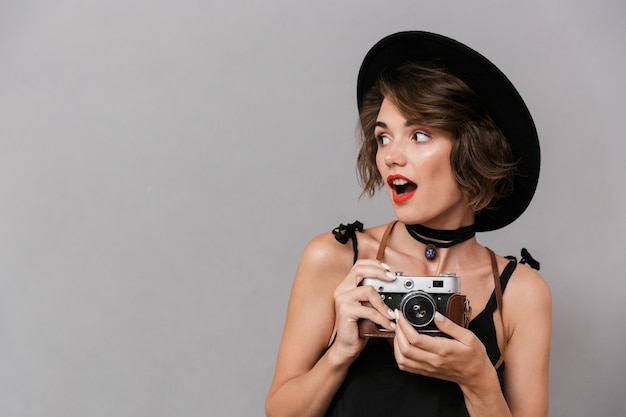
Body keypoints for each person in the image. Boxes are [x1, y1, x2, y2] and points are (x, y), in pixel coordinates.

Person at [265, 31, 551, 417]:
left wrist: (478, 380)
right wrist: (341, 353)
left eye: (418, 135)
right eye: (383, 138)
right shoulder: (335, 258)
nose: (391, 158)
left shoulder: (520, 293)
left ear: (472, 148)